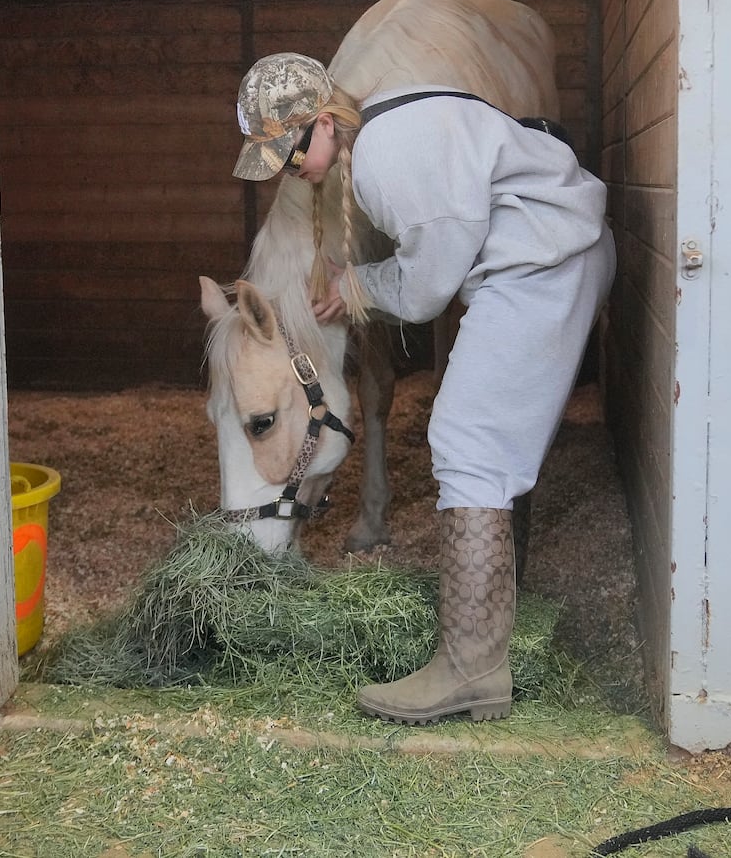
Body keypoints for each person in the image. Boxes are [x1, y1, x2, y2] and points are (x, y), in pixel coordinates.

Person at [233, 52, 615, 724]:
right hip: (539, 255)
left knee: (466, 438)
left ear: (323, 121)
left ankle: (471, 668)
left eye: (291, 154)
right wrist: (359, 288)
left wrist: (358, 288)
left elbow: (429, 287)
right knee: (475, 440)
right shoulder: (386, 131)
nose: (294, 173)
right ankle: (477, 661)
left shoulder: (388, 156)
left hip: (542, 264)